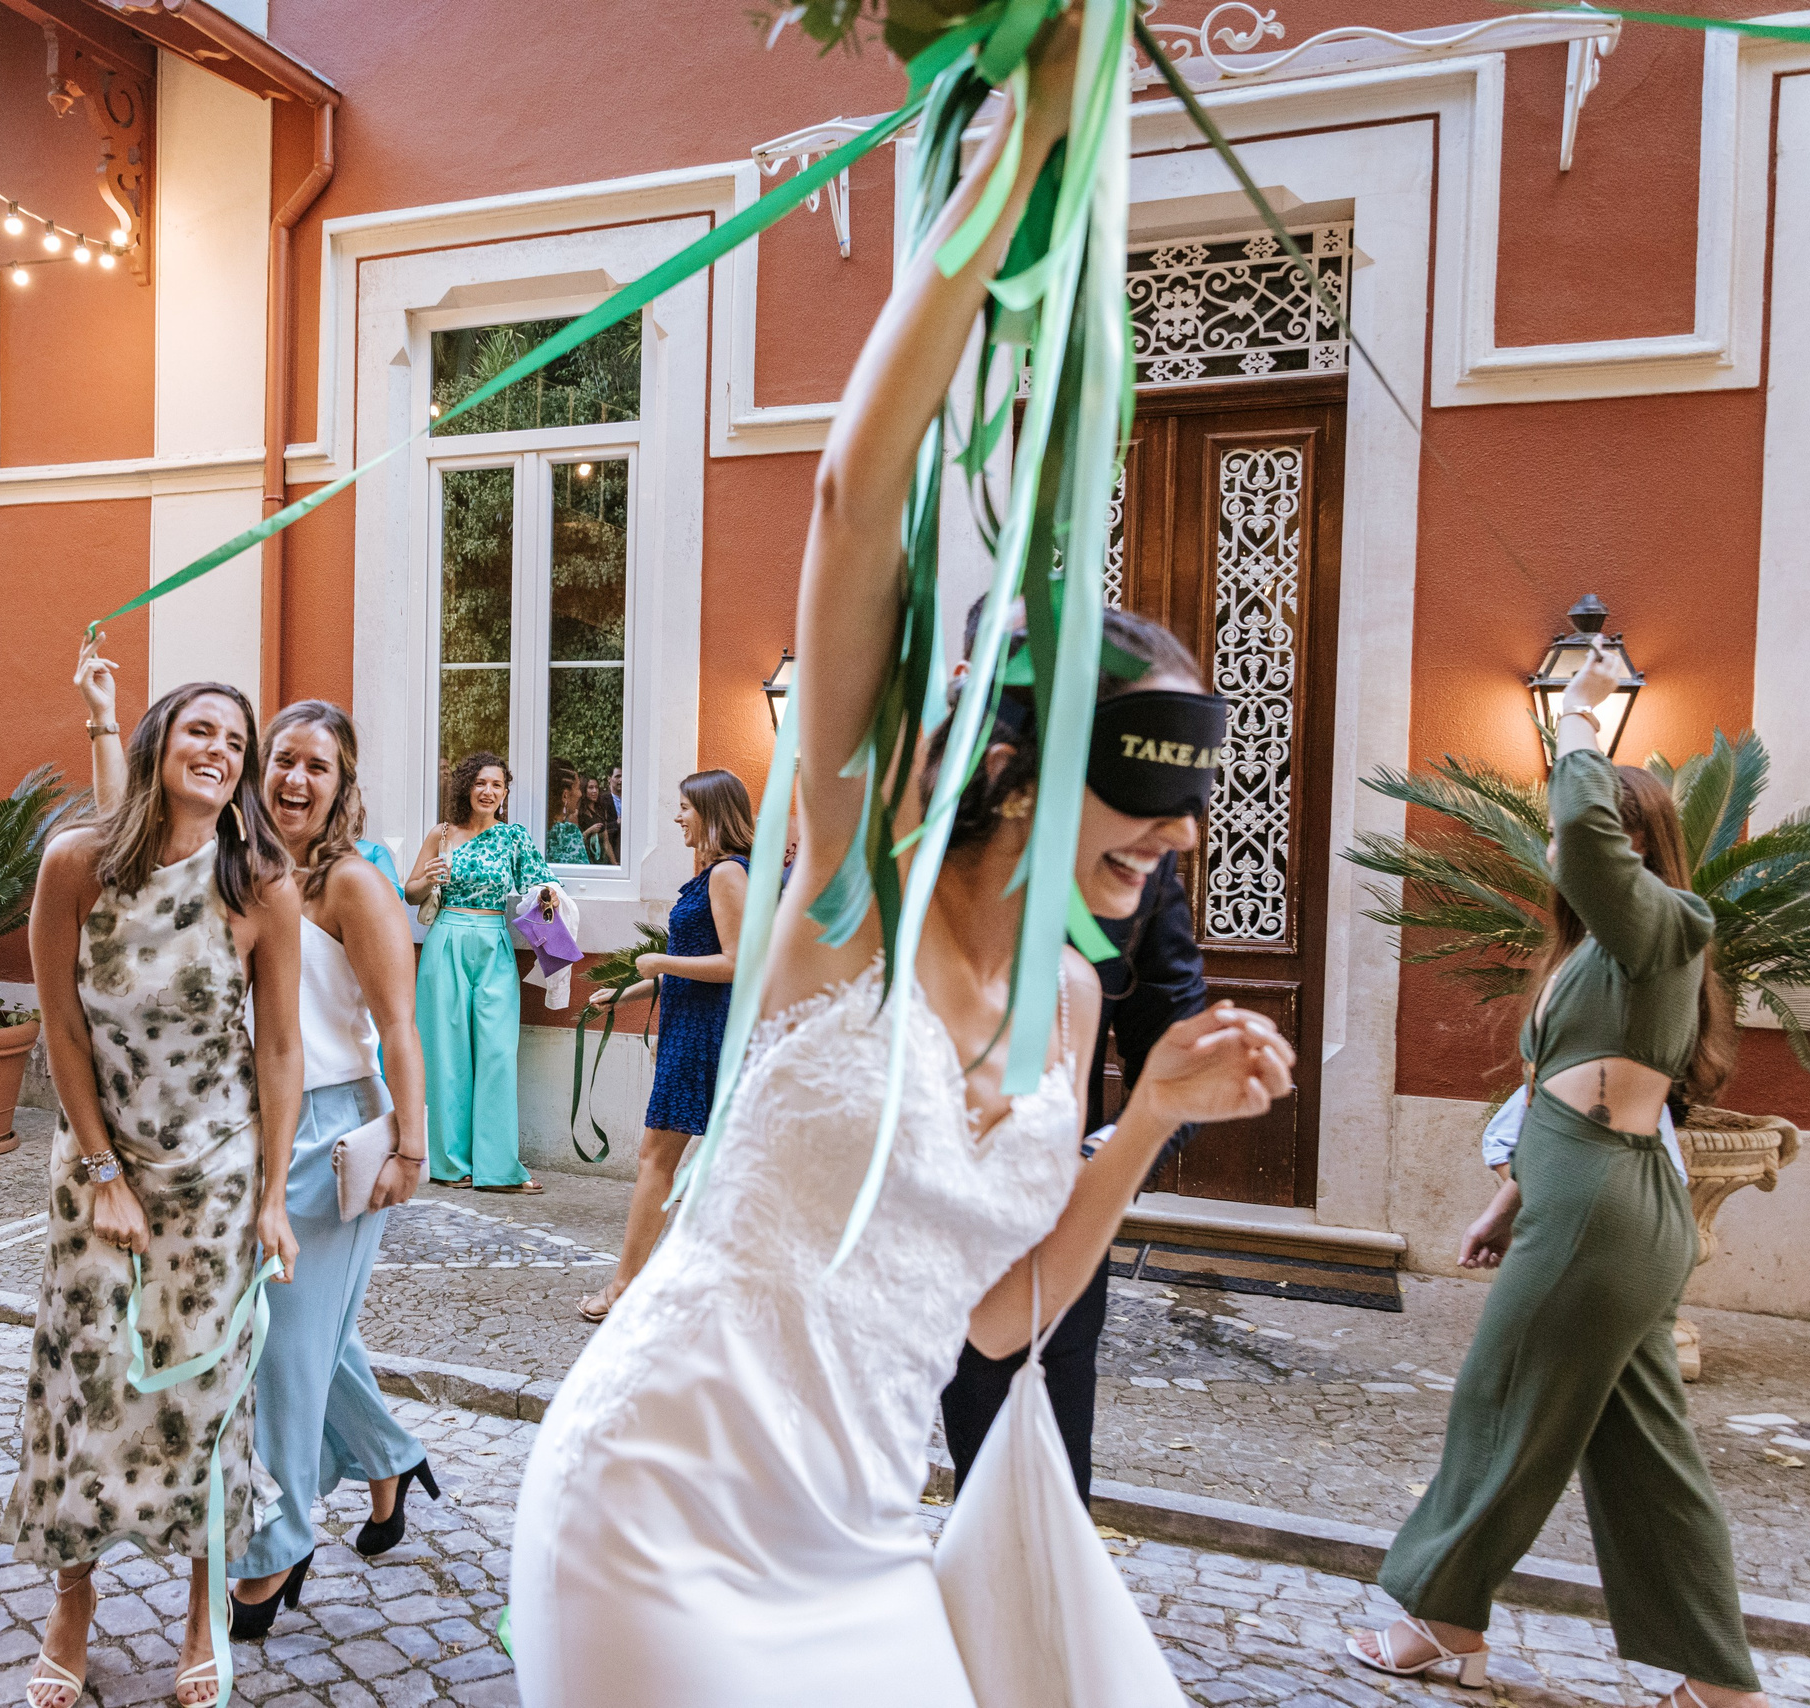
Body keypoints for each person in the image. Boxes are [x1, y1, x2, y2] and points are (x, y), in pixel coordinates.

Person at [506, 26, 1296, 1700]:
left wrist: (1145, 1114)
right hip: (660, 1517)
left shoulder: (1073, 1006)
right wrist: (1042, 134)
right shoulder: (848, 896)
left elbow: (1002, 1316)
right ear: (1018, 773)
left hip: (864, 1545)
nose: (1170, 849)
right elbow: (861, 497)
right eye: (1142, 810)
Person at [1351, 639, 1766, 1708]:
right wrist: (1505, 1198)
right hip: (1586, 1202)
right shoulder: (1593, 954)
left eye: (1582, 835)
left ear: (1633, 843)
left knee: (1500, 1402)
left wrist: (1575, 717)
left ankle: (1442, 1625)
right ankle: (1720, 1687)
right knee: (1646, 1459)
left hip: (1606, 1211)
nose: (1559, 850)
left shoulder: (1670, 928)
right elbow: (1554, 1097)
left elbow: (1582, 833)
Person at [5, 670, 302, 1708]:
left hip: (218, 1178)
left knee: (204, 1401)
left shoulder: (261, 883)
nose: (218, 747)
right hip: (101, 1171)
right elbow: (62, 1027)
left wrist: (271, 1197)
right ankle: (72, 1603)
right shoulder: (75, 864)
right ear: (157, 742)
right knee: (85, 1384)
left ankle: (198, 1613)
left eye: (235, 738)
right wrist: (100, 1170)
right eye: (199, 727)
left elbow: (278, 1051)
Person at [228, 697, 439, 1640]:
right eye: (282, 761)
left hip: (338, 1131)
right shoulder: (246, 874)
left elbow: (398, 1025)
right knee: (313, 1331)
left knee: (280, 1339)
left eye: (316, 765)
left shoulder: (355, 885)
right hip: (254, 1123)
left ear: (341, 782)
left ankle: (274, 1544)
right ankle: (388, 1458)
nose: (295, 780)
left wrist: (411, 1146)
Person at [940, 845, 1206, 1502]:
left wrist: (1090, 1169)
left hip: (1044, 1257)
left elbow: (1175, 1070)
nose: (1177, 828)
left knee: (1031, 1511)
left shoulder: (1134, 891)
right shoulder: (891, 859)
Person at [575, 769, 753, 1323]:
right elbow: (699, 966)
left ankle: (626, 1288)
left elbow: (738, 963)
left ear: (710, 811)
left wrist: (659, 961)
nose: (676, 817)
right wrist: (629, 989)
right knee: (707, 1160)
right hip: (691, 1026)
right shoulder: (714, 874)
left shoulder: (726, 874)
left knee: (658, 1156)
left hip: (706, 1035)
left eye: (683, 807)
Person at [403, 752, 561, 1194]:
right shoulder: (443, 834)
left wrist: (548, 897)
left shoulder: (514, 839)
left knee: (497, 1052)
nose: (488, 791)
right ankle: (451, 1164)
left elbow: (541, 887)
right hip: (446, 939)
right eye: (480, 783)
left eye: (497, 785)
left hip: (493, 942)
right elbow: (412, 892)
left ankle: (497, 1167)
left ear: (505, 793)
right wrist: (427, 877)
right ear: (466, 788)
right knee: (446, 1052)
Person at [545, 760, 587, 866]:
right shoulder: (570, 833)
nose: (580, 794)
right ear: (565, 795)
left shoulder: (536, 829)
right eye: (577, 788)